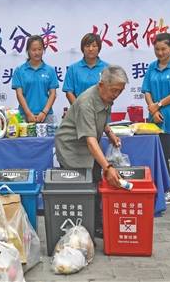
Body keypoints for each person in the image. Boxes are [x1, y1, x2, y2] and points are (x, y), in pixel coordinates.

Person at [55, 65, 127, 237]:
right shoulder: (87, 101)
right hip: (71, 147)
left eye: (120, 91)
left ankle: (95, 223)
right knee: (82, 187)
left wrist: (109, 133)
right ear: (102, 85)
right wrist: (108, 168)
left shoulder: (105, 97)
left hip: (87, 146)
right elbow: (90, 140)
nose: (116, 95)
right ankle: (80, 226)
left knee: (95, 182)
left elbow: (100, 121)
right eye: (114, 90)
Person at [141, 33, 170, 204]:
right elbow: (146, 90)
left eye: (163, 49)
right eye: (157, 49)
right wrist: (153, 110)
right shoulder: (152, 67)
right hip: (155, 119)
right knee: (161, 157)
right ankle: (164, 188)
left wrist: (158, 104)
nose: (160, 53)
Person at [12, 35, 59, 123]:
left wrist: (44, 112)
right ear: (28, 51)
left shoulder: (50, 70)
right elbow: (19, 94)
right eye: (33, 50)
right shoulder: (20, 70)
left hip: (46, 115)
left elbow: (53, 94)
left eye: (39, 49)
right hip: (25, 115)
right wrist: (28, 113)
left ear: (43, 50)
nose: (37, 53)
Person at [63, 33, 108, 104]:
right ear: (82, 48)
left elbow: (110, 92)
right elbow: (69, 92)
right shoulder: (73, 69)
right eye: (87, 46)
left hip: (101, 112)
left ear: (99, 48)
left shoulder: (107, 68)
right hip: (79, 111)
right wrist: (79, 108)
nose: (90, 49)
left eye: (94, 46)